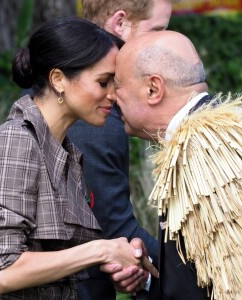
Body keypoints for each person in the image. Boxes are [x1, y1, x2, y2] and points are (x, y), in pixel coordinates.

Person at [0, 16, 158, 300]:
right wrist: (102, 249)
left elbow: (53, 265)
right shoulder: (17, 141)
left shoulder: (64, 151)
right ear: (58, 80)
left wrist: (120, 265)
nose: (114, 95)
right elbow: (3, 272)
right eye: (104, 82)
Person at [114, 30, 242, 299]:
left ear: (153, 89)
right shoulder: (227, 136)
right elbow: (205, 278)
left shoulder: (204, 153)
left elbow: (241, 286)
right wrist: (148, 280)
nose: (111, 96)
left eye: (118, 85)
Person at [67, 1, 172, 299]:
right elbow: (113, 227)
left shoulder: (73, 81)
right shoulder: (92, 113)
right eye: (157, 30)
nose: (163, 43)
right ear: (120, 23)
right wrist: (198, 277)